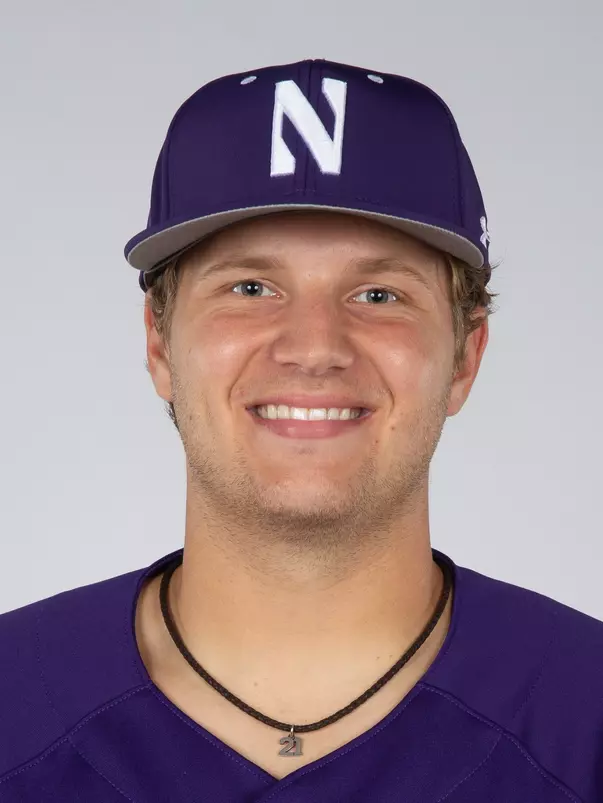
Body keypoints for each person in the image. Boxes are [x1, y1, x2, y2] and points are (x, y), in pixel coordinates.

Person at [1, 58, 601, 802]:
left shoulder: (585, 717)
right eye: (249, 287)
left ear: (462, 358)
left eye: (378, 293)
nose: (314, 345)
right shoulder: (12, 704)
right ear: (159, 345)